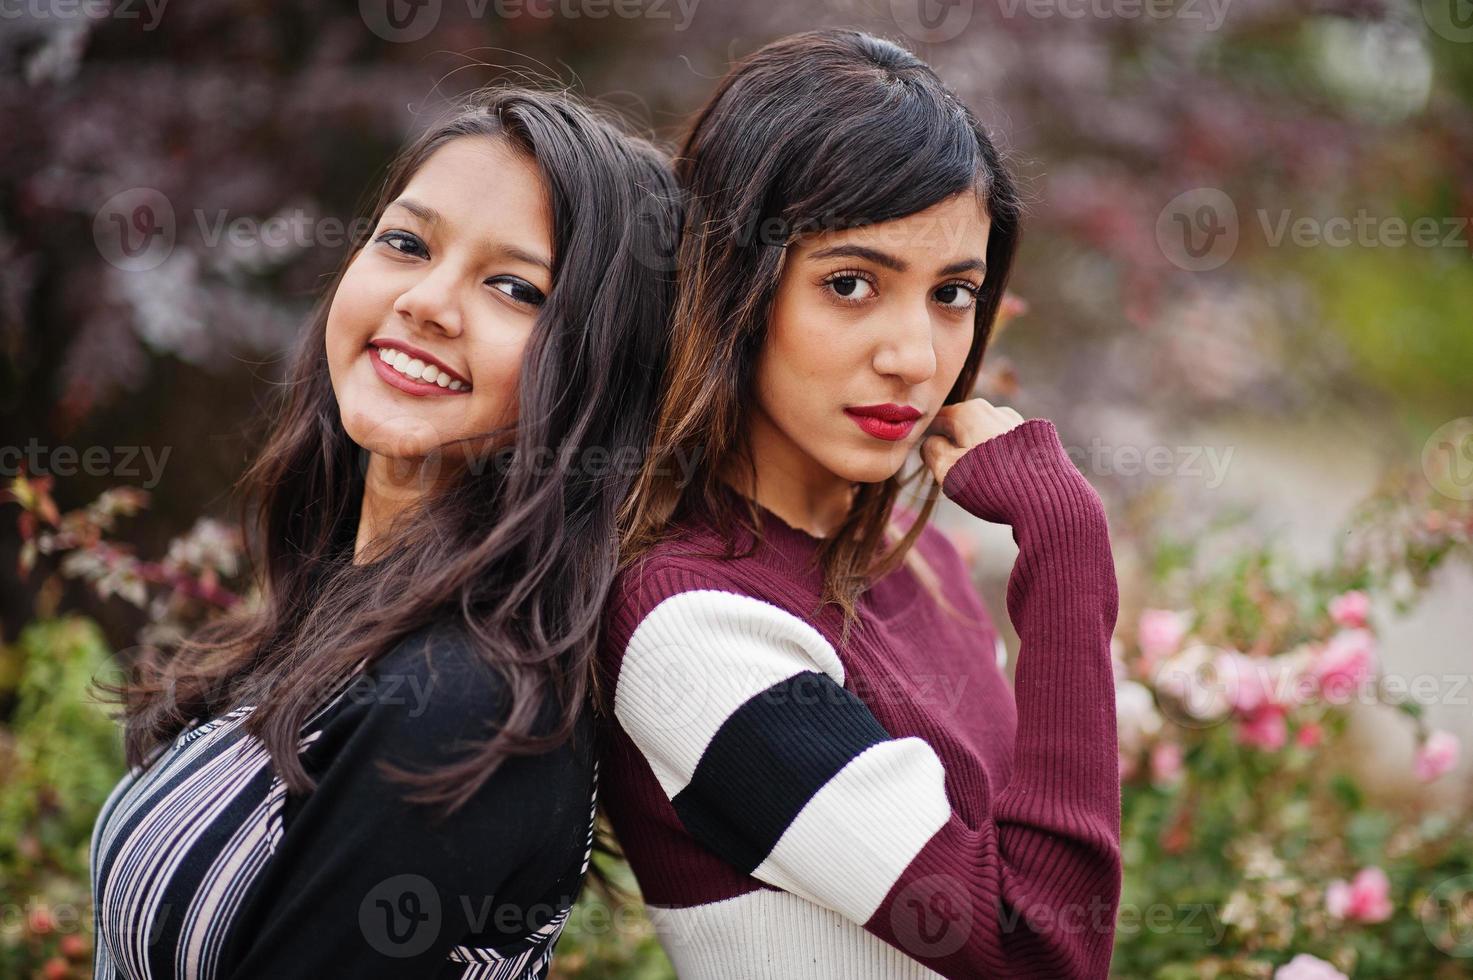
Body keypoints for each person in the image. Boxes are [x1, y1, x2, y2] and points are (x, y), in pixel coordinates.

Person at [89, 86, 679, 978]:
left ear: (599, 371)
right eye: (406, 243)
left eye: (515, 288)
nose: (428, 302)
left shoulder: (465, 705)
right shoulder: (341, 609)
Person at [597, 30, 1122, 979]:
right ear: (733, 287)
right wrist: (1067, 548)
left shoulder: (917, 560)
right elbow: (1040, 950)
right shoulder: (694, 625)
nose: (915, 356)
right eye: (850, 284)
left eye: (952, 293)